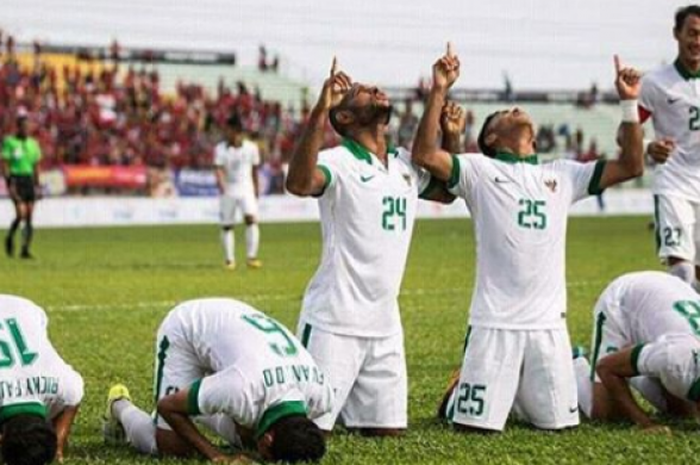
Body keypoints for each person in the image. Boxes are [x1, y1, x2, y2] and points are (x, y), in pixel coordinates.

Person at [416, 45, 644, 432]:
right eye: (506, 113)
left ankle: (514, 390)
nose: (516, 110)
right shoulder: (479, 170)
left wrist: (629, 105)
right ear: (492, 136)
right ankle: (461, 391)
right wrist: (439, 89)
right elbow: (424, 153)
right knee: (474, 430)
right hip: (494, 325)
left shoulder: (563, 174)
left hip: (549, 329)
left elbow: (632, 165)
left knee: (559, 427)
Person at [286, 58, 457, 436]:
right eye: (361, 91)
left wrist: (443, 101)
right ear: (344, 117)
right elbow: (299, 183)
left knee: (389, 434)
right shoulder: (338, 161)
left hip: (385, 326)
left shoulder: (403, 166)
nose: (374, 89)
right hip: (334, 321)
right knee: (305, 435)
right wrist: (320, 108)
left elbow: (447, 192)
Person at [103, 298, 332, 463]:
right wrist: (216, 455)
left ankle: (197, 403)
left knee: (247, 436)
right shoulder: (242, 388)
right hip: (187, 328)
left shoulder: (322, 396)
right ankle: (119, 405)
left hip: (236, 333)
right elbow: (167, 406)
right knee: (174, 447)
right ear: (269, 439)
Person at [572, 271, 700, 433]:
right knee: (605, 410)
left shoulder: (680, 365)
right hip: (624, 300)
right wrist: (645, 423)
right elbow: (605, 368)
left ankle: (632, 360)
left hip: (668, 296)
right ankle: (573, 363)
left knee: (683, 411)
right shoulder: (675, 359)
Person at [640, 5, 700, 289]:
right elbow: (624, 134)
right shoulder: (655, 83)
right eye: (692, 33)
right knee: (682, 274)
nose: (697, 41)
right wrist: (648, 146)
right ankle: (679, 334)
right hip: (674, 184)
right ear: (677, 34)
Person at [0, 294, 84, 465]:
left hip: (25, 310)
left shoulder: (63, 385)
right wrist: (59, 446)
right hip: (22, 309)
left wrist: (58, 446)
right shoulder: (64, 386)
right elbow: (74, 397)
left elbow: (75, 394)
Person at [214, 114, 263, 270]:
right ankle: (229, 260)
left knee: (251, 219)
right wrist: (221, 184)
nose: (227, 133)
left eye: (229, 130)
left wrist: (256, 186)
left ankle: (251, 257)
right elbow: (218, 169)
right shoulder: (220, 149)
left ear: (237, 131)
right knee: (227, 225)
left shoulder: (251, 148)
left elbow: (255, 169)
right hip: (229, 190)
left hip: (246, 189)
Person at [1, 111, 42, 259]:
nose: (26, 129)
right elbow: (5, 163)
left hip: (28, 179)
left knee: (30, 215)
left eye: (28, 126)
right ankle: (10, 237)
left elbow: (36, 165)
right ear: (18, 127)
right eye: (24, 126)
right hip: (16, 179)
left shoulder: (33, 144)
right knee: (20, 213)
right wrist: (9, 182)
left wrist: (38, 185)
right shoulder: (10, 142)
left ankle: (25, 249)